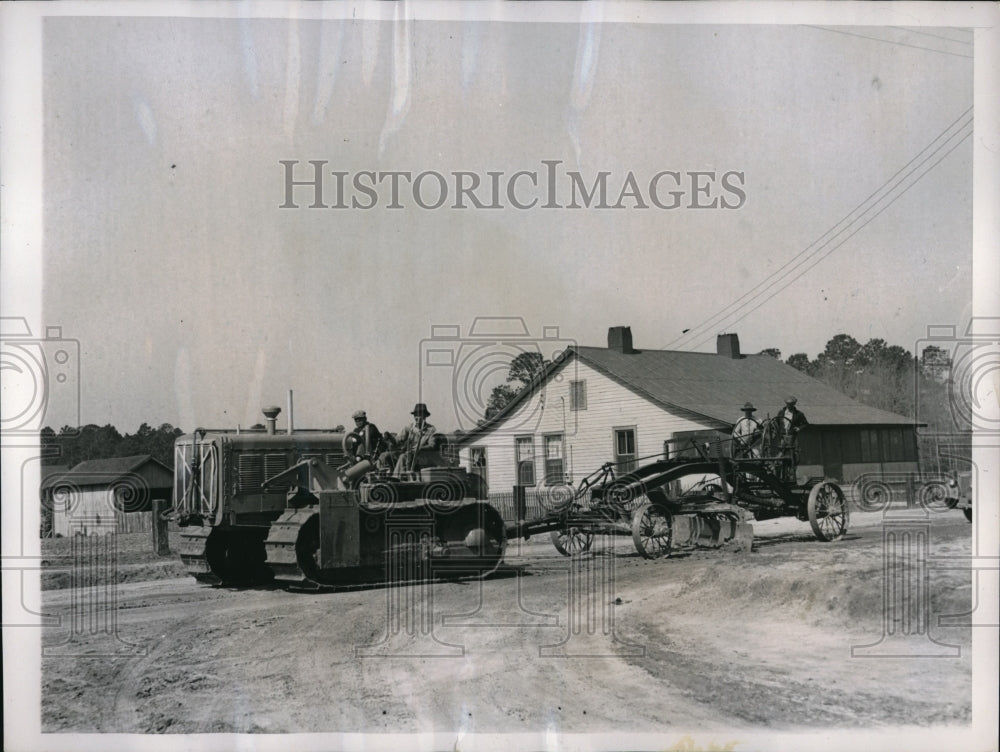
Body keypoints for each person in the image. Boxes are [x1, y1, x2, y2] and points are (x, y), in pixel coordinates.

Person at [393, 403, 437, 474]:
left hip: (423, 457)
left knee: (403, 457)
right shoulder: (410, 428)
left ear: (425, 416)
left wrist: (419, 448)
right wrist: (390, 438)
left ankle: (396, 478)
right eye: (415, 415)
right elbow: (398, 440)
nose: (416, 417)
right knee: (388, 456)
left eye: (419, 415)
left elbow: (432, 445)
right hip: (410, 455)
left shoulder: (431, 429)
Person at [776, 396, 808, 465]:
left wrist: (799, 428)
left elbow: (805, 424)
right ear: (786, 404)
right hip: (783, 436)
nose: (789, 406)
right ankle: (778, 465)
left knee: (792, 452)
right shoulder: (781, 413)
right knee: (782, 451)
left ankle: (792, 467)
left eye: (791, 404)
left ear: (794, 404)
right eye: (788, 404)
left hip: (792, 436)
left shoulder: (798, 414)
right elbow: (776, 423)